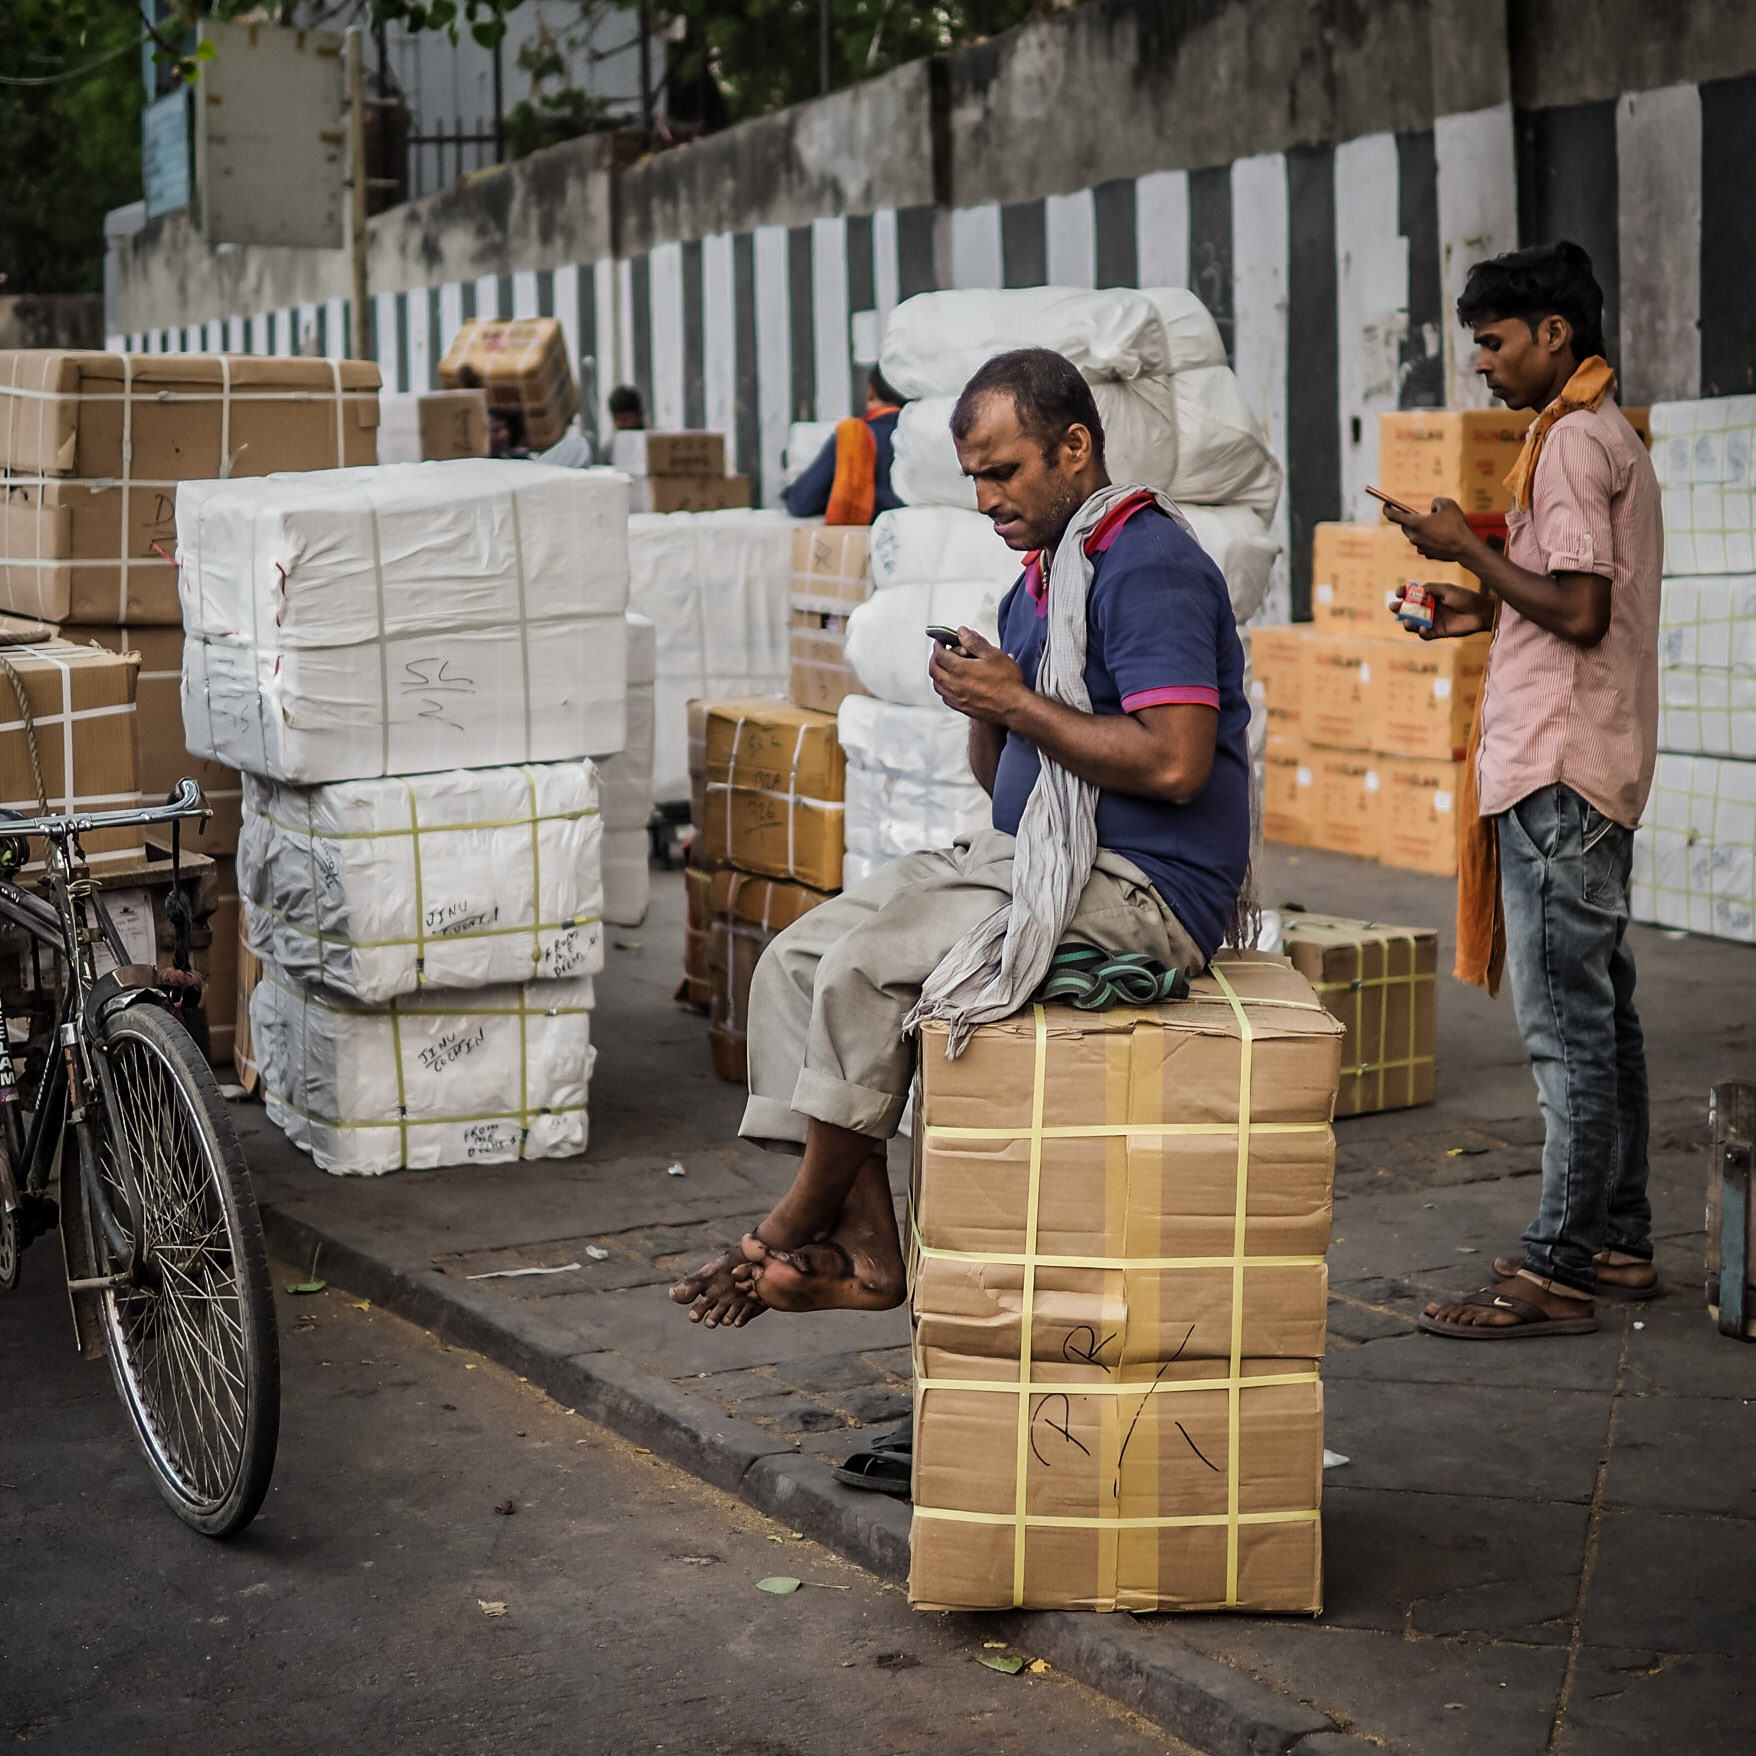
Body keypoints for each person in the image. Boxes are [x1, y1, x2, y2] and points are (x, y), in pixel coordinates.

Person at [671, 347, 1252, 1330]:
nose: (985, 498)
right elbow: (1006, 787)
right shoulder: (1039, 583)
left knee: (865, 969)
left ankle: (793, 1220)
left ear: (1074, 446)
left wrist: (1018, 701)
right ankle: (866, 1245)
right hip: (1028, 853)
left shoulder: (1145, 564)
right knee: (796, 961)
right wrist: (987, 707)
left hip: (1138, 885)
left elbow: (1173, 764)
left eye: (1003, 470)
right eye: (974, 477)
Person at [1384, 241, 1662, 1339]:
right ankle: (1618, 1240)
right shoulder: (1597, 437)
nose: (1485, 368)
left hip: (1559, 771)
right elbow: (1563, 600)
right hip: (1587, 760)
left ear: (1555, 333)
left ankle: (1554, 1271)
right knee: (1607, 1020)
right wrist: (1471, 602)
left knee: (1567, 1035)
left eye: (1494, 344)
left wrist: (1463, 543)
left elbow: (1582, 610)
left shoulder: (1572, 445)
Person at [781, 368, 905, 523]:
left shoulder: (853, 435)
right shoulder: (923, 436)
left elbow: (801, 502)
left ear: (871, 391)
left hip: (861, 543)